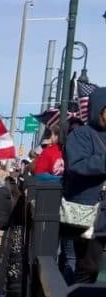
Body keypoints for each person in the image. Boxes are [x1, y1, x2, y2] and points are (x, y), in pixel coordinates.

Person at [63, 87, 106, 284]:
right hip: (88, 211)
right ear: (99, 110)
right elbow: (77, 165)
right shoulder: (81, 134)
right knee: (89, 266)